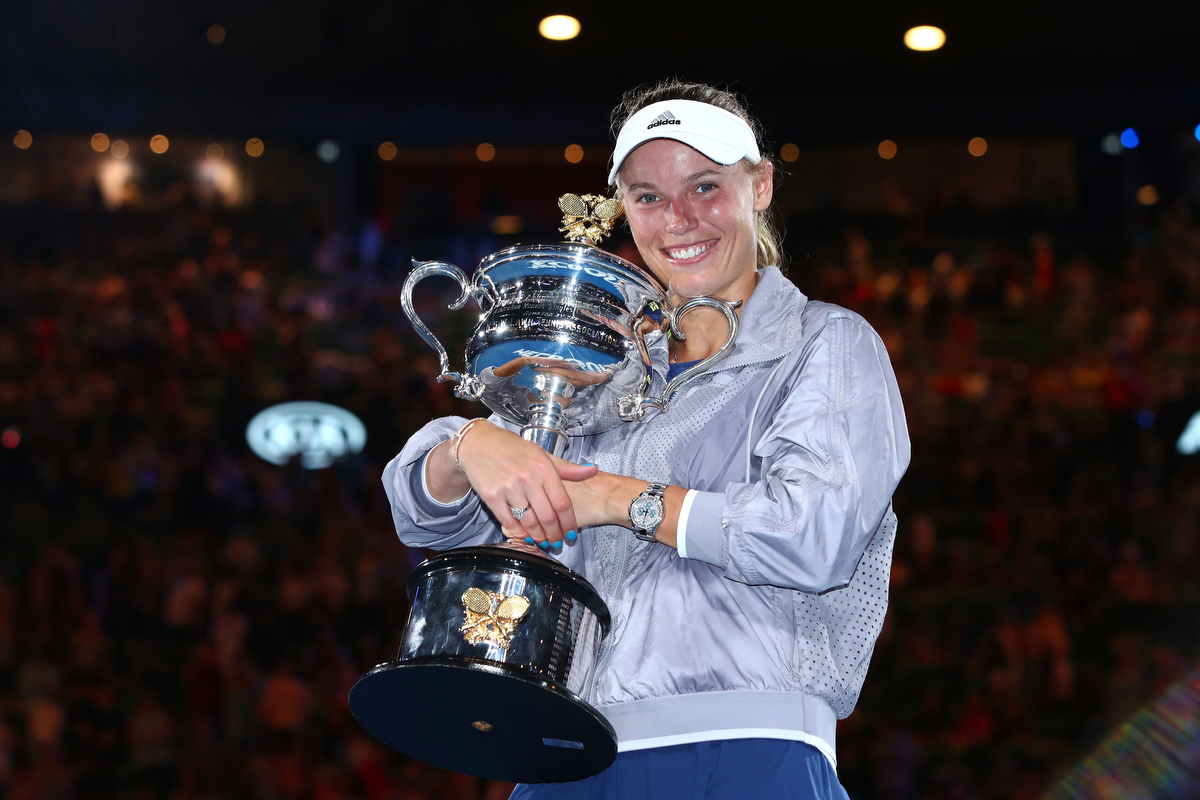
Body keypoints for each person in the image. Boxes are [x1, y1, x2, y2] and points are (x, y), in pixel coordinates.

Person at [383, 80, 911, 800]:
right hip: (563, 750)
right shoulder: (592, 364)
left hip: (749, 750)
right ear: (622, 208)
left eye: (705, 187)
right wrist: (468, 446)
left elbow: (814, 536)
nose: (679, 220)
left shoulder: (826, 343)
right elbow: (423, 515)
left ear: (759, 187)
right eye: (649, 197)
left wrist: (618, 499)